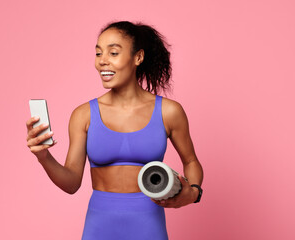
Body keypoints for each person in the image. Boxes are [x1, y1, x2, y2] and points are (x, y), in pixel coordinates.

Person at [26, 21, 203, 240]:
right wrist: (44, 157)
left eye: (113, 52)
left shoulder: (169, 111)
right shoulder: (83, 115)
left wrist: (193, 192)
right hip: (99, 226)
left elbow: (191, 161)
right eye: (99, 53)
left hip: (148, 225)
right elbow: (71, 183)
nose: (102, 61)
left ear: (138, 57)